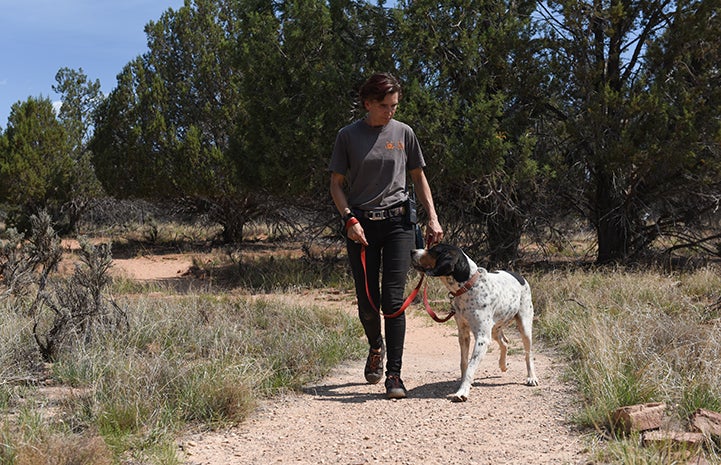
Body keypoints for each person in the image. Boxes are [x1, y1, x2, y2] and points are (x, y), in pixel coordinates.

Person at [329, 72, 444, 399]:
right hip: (361, 228)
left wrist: (432, 218)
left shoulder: (404, 133)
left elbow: (418, 177)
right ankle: (375, 347)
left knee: (393, 300)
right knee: (368, 302)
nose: (391, 111)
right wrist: (349, 219)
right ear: (367, 103)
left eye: (395, 105)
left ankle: (394, 374)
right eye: (384, 105)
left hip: (398, 226)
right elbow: (336, 183)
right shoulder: (348, 136)